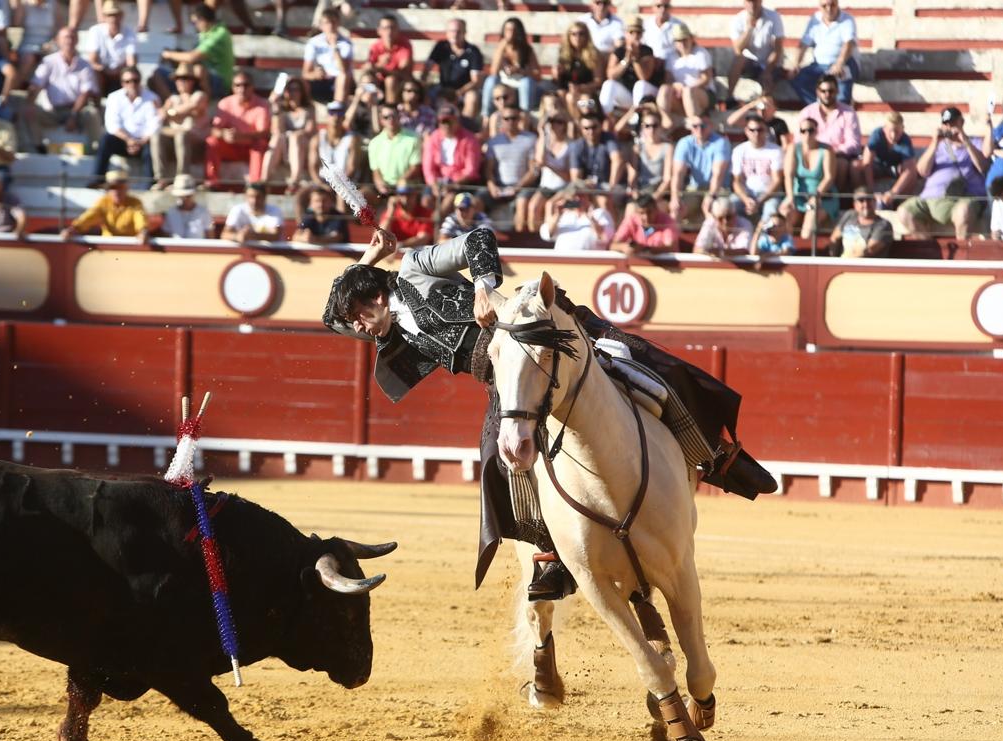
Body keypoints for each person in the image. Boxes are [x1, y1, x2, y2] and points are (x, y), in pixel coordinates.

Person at [320, 226, 776, 602]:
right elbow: (328, 319)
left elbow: (479, 240)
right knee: (501, 458)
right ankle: (550, 556)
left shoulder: (415, 269)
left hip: (535, 330)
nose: (356, 329)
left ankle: (718, 457)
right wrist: (368, 256)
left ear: (376, 298)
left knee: (643, 368)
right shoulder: (385, 328)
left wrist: (482, 289)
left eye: (358, 316)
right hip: (503, 375)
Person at [897, 107, 987, 241]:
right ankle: (928, 252)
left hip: (962, 199)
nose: (949, 127)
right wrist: (934, 143)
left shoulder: (976, 143)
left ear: (961, 122)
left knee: (963, 213)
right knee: (904, 212)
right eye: (946, 124)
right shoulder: (938, 146)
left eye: (952, 123)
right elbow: (922, 171)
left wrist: (965, 142)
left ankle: (962, 257)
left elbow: (983, 167)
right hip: (930, 198)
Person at [22, 27, 100, 151]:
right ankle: (38, 147)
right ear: (58, 41)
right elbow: (36, 85)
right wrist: (30, 101)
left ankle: (96, 149)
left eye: (72, 37)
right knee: (30, 112)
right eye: (66, 37)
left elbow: (86, 92)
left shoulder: (85, 64)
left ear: (77, 40)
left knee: (92, 113)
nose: (69, 41)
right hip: (54, 112)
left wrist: (74, 115)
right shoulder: (48, 62)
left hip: (78, 110)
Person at [94, 65, 159, 187]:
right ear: (122, 83)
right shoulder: (114, 97)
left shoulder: (152, 98)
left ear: (140, 81)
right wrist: (129, 140)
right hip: (123, 141)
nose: (132, 84)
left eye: (135, 80)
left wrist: (140, 142)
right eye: (127, 81)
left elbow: (154, 125)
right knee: (105, 140)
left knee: (152, 147)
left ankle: (149, 185)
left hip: (144, 142)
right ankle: (98, 179)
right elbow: (112, 125)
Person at [204, 70, 268, 186]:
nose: (242, 89)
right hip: (231, 148)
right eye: (238, 85)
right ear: (233, 87)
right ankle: (212, 181)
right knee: (212, 141)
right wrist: (224, 134)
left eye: (246, 85)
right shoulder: (225, 103)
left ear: (252, 87)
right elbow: (214, 130)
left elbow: (263, 134)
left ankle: (255, 184)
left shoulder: (262, 105)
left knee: (260, 144)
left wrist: (241, 136)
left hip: (250, 147)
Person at [798, 73, 860, 191]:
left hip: (838, 156)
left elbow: (854, 144)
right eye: (823, 91)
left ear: (837, 91)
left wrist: (830, 153)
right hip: (811, 155)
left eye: (831, 91)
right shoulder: (807, 113)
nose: (827, 94)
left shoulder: (848, 113)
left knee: (841, 164)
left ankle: (836, 199)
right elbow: (799, 140)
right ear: (817, 92)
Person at [158, 5, 232, 99]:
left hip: (220, 82)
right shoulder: (206, 33)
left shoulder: (220, 34)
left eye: (195, 22)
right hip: (205, 78)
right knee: (158, 74)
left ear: (203, 19)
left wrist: (169, 54)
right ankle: (173, 102)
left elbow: (193, 57)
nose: (195, 26)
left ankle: (205, 102)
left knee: (198, 70)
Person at [484, 100, 537, 232]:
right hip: (499, 187)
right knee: (477, 201)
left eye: (514, 118)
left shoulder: (530, 139)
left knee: (522, 202)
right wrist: (492, 186)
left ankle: (519, 244)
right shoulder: (494, 142)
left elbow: (533, 170)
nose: (510, 121)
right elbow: (488, 170)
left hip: (523, 186)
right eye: (507, 118)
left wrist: (518, 187)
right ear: (502, 120)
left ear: (519, 119)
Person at [792, 0, 857, 105]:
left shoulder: (847, 19)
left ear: (837, 4)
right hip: (819, 65)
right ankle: (821, 108)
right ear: (819, 6)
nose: (829, 9)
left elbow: (848, 44)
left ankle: (842, 110)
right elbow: (803, 44)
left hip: (844, 63)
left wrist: (839, 63)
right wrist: (796, 64)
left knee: (843, 93)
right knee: (798, 79)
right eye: (824, 5)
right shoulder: (814, 19)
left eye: (832, 5)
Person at [154, 62, 208, 188]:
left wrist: (171, 112)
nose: (180, 82)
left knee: (181, 135)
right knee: (156, 136)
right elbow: (161, 114)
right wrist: (169, 112)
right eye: (178, 79)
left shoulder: (199, 95)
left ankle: (182, 178)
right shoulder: (173, 98)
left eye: (184, 79)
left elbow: (190, 107)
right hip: (175, 138)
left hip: (196, 139)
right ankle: (161, 179)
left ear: (192, 81)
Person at [781, 115, 836, 240]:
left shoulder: (827, 150)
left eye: (810, 130)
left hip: (822, 197)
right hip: (798, 195)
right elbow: (788, 175)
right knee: (785, 214)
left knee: (807, 230)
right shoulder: (793, 148)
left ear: (816, 131)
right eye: (803, 131)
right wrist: (790, 197)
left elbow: (829, 177)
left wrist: (816, 196)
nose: (807, 134)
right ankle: (786, 249)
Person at [670, 114, 729, 224]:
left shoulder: (721, 142)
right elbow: (678, 173)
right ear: (690, 128)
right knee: (676, 210)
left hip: (719, 190)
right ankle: (673, 240)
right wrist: (675, 197)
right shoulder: (684, 143)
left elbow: (718, 174)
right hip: (695, 188)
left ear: (710, 126)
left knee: (716, 210)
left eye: (703, 126)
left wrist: (711, 195)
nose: (699, 129)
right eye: (695, 126)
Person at [599, 16, 662, 118]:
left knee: (640, 85)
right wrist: (626, 61)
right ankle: (605, 119)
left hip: (647, 93)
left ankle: (638, 122)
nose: (635, 35)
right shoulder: (619, 51)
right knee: (608, 85)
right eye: (631, 32)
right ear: (625, 33)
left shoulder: (647, 51)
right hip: (627, 94)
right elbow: (610, 75)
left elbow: (644, 77)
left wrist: (635, 59)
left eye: (638, 32)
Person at [420, 18, 482, 120]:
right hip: (442, 87)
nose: (455, 34)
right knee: (424, 94)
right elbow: (427, 68)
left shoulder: (473, 51)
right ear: (447, 33)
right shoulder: (441, 47)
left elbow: (476, 81)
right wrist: (424, 86)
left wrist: (458, 92)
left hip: (464, 90)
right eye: (452, 31)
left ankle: (465, 127)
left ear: (464, 33)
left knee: (472, 97)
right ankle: (430, 124)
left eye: (458, 31)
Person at [63, 167, 148, 241]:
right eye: (113, 188)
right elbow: (90, 216)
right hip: (108, 244)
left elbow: (140, 218)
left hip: (128, 247)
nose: (116, 191)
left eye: (120, 187)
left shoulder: (135, 203)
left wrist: (142, 231)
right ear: (108, 190)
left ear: (126, 188)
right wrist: (74, 228)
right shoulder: (103, 202)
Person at [421, 100, 481, 206]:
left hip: (461, 182)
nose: (446, 125)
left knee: (450, 199)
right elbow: (428, 168)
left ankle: (438, 221)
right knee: (426, 201)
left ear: (457, 121)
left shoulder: (470, 139)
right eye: (443, 122)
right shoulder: (433, 138)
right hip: (438, 182)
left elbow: (471, 170)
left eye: (450, 121)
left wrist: (453, 184)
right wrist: (433, 184)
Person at [731, 112, 785, 223]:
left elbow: (777, 181)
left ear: (766, 131)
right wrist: (746, 199)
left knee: (771, 214)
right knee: (727, 207)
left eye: (760, 130)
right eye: (752, 130)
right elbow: (737, 181)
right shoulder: (739, 151)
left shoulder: (776, 151)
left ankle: (763, 239)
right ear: (746, 131)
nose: (756, 133)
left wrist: (760, 201)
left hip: (769, 195)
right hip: (747, 194)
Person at [727, 0, 783, 104]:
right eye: (749, 1)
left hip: (769, 63)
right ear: (744, 2)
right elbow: (737, 49)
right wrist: (749, 29)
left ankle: (763, 106)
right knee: (738, 59)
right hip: (749, 63)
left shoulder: (774, 17)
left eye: (755, 1)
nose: (752, 5)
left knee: (768, 80)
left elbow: (778, 49)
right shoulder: (738, 19)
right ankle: (729, 97)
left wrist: (767, 71)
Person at [481, 16, 538, 118]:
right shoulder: (500, 48)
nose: (510, 33)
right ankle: (486, 117)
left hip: (520, 86)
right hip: (503, 86)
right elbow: (493, 72)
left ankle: (525, 118)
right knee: (490, 80)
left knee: (527, 82)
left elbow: (537, 74)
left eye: (513, 30)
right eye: (507, 30)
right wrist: (501, 49)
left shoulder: (527, 49)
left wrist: (520, 71)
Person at [265, 75, 315, 192]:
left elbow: (309, 130)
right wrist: (275, 107)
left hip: (303, 143)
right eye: (289, 89)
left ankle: (295, 180)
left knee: (295, 137)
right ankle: (265, 180)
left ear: (301, 91)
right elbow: (277, 130)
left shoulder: (309, 108)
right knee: (277, 138)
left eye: (296, 89)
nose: (292, 93)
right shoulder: (282, 108)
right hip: (284, 145)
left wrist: (294, 135)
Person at [528, 109, 576, 227]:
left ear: (565, 125)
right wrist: (542, 132)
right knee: (533, 207)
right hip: (546, 187)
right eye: (551, 121)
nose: (554, 125)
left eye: (559, 122)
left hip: (564, 187)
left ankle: (548, 240)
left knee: (551, 205)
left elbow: (569, 177)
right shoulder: (543, 141)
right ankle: (533, 241)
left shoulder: (571, 145)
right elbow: (540, 160)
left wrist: (550, 166)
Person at [660, 23, 711, 130]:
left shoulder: (701, 53)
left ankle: (694, 125)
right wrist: (676, 85)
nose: (682, 43)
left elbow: (706, 78)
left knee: (688, 91)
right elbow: (668, 80)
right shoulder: (671, 56)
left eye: (684, 39)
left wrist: (687, 88)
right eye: (679, 40)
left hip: (702, 93)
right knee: (664, 89)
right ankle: (665, 119)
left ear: (691, 39)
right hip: (679, 96)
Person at [861, 110, 916, 206]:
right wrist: (872, 190)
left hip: (894, 169)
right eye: (890, 131)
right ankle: (863, 199)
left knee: (913, 174)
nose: (893, 136)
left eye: (897, 132)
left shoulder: (905, 140)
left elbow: (909, 169)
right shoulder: (877, 135)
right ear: (884, 128)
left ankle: (900, 204)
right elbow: (867, 163)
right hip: (877, 166)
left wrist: (893, 192)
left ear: (903, 129)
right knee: (856, 167)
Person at [540, 185, 615, 251]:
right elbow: (546, 235)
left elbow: (606, 237)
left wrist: (591, 218)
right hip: (562, 262)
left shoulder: (600, 213)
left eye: (581, 195)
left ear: (588, 197)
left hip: (590, 262)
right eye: (574, 196)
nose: (578, 199)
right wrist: (557, 215)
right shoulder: (564, 216)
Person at [369, 101, 422, 194]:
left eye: (393, 115)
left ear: (399, 116)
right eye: (386, 117)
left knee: (404, 188)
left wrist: (401, 182)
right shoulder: (374, 143)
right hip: (383, 189)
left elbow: (415, 167)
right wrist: (380, 185)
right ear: (381, 120)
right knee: (362, 196)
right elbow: (375, 171)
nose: (390, 119)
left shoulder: (414, 138)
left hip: (407, 188)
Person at [85, 0, 135, 96]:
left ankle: (128, 102)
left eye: (116, 15)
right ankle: (98, 103)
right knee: (95, 73)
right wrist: (106, 70)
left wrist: (122, 72)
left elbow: (131, 62)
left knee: (131, 75)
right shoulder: (95, 31)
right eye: (110, 15)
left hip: (120, 73)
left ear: (121, 16)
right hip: (102, 73)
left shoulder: (129, 32)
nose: (113, 18)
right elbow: (92, 61)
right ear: (104, 17)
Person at [302, 7, 351, 105]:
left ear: (338, 24)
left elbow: (343, 70)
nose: (330, 26)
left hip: (338, 82)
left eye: (333, 22)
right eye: (327, 23)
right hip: (319, 82)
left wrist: (334, 47)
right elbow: (305, 73)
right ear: (321, 25)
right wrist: (315, 74)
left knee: (343, 76)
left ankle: (337, 109)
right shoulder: (313, 43)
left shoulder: (346, 44)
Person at [310, 100, 358, 199]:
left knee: (343, 197)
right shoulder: (317, 139)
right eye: (332, 112)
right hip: (323, 182)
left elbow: (351, 168)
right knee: (302, 196)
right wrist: (320, 184)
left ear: (344, 116)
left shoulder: (352, 139)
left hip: (346, 182)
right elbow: (313, 167)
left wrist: (338, 186)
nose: (336, 117)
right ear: (327, 116)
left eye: (339, 112)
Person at [627, 105, 673, 205]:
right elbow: (632, 177)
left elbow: (667, 179)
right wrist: (636, 195)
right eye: (647, 126)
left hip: (660, 194)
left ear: (660, 126)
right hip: (641, 192)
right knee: (631, 210)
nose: (651, 129)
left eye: (655, 125)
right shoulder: (637, 148)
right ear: (643, 127)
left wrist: (654, 197)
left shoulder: (668, 147)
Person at [829, 185, 891, 257]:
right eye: (861, 200)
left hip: (866, 266)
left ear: (874, 201)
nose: (866, 204)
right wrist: (834, 261)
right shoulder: (849, 215)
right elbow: (834, 238)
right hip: (842, 264)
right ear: (855, 204)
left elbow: (869, 251)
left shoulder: (884, 225)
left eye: (869, 199)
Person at [610, 190, 678, 252]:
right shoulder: (631, 220)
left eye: (649, 212)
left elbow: (670, 247)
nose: (646, 217)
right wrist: (624, 247)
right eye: (641, 213)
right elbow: (613, 245)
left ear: (656, 210)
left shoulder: (666, 221)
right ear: (636, 212)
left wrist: (646, 249)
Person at [368, 14, 411, 103]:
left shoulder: (405, 45)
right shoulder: (375, 46)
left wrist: (380, 67)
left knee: (391, 80)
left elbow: (403, 71)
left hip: (399, 82)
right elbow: (368, 68)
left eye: (392, 28)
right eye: (385, 28)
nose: (389, 31)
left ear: (398, 30)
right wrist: (380, 65)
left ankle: (391, 109)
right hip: (378, 81)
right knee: (367, 80)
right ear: (379, 31)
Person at [555, 21, 601, 105]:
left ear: (586, 36)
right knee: (559, 96)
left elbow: (598, 82)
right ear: (568, 36)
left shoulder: (593, 54)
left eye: (581, 34)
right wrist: (556, 74)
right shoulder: (564, 54)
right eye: (573, 34)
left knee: (572, 98)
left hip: (590, 97)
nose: (577, 37)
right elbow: (560, 82)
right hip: (567, 93)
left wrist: (580, 88)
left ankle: (584, 118)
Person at [379, 183, 434, 248]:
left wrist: (401, 245)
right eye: (402, 195)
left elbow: (423, 238)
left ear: (415, 195)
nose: (406, 199)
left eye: (409, 195)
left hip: (418, 254)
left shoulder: (425, 213)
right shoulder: (390, 213)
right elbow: (380, 236)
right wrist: (391, 211)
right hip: (393, 254)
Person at [161, 173, 212, 239]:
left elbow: (210, 236)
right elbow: (166, 236)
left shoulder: (203, 212)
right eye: (181, 196)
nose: (184, 199)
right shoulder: (171, 212)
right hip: (175, 248)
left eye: (188, 196)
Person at [642, 0, 684, 69]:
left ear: (670, 7)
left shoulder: (679, 25)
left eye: (666, 6)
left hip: (673, 67)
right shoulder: (646, 25)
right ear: (653, 7)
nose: (662, 9)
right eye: (659, 6)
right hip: (650, 67)